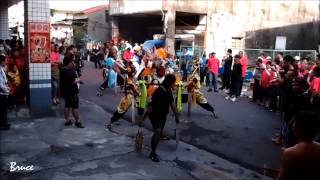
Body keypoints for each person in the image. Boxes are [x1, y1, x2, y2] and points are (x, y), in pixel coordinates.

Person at [139, 74, 180, 162]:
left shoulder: (168, 91)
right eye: (173, 83)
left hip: (163, 115)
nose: (174, 85)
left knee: (160, 129)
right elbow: (150, 108)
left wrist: (177, 116)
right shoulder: (159, 92)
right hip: (154, 115)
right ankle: (153, 153)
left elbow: (172, 105)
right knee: (157, 131)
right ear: (170, 83)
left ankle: (160, 136)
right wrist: (142, 119)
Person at [277, 111, 320, 180]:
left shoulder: (290, 153)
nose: (292, 124)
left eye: (294, 122)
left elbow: (282, 177)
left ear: (297, 128)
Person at [59, 53, 84, 128]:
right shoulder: (68, 71)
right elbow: (72, 81)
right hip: (72, 91)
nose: (72, 63)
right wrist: (78, 80)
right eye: (71, 62)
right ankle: (78, 121)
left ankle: (67, 121)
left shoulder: (62, 70)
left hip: (65, 91)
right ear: (68, 63)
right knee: (75, 107)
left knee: (67, 105)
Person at [0, 54, 10, 130]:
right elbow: (1, 83)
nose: (6, 62)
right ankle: (3, 124)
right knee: (2, 110)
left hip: (3, 92)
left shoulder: (1, 68)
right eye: (5, 61)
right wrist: (7, 90)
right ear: (2, 61)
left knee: (4, 109)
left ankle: (4, 123)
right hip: (2, 93)